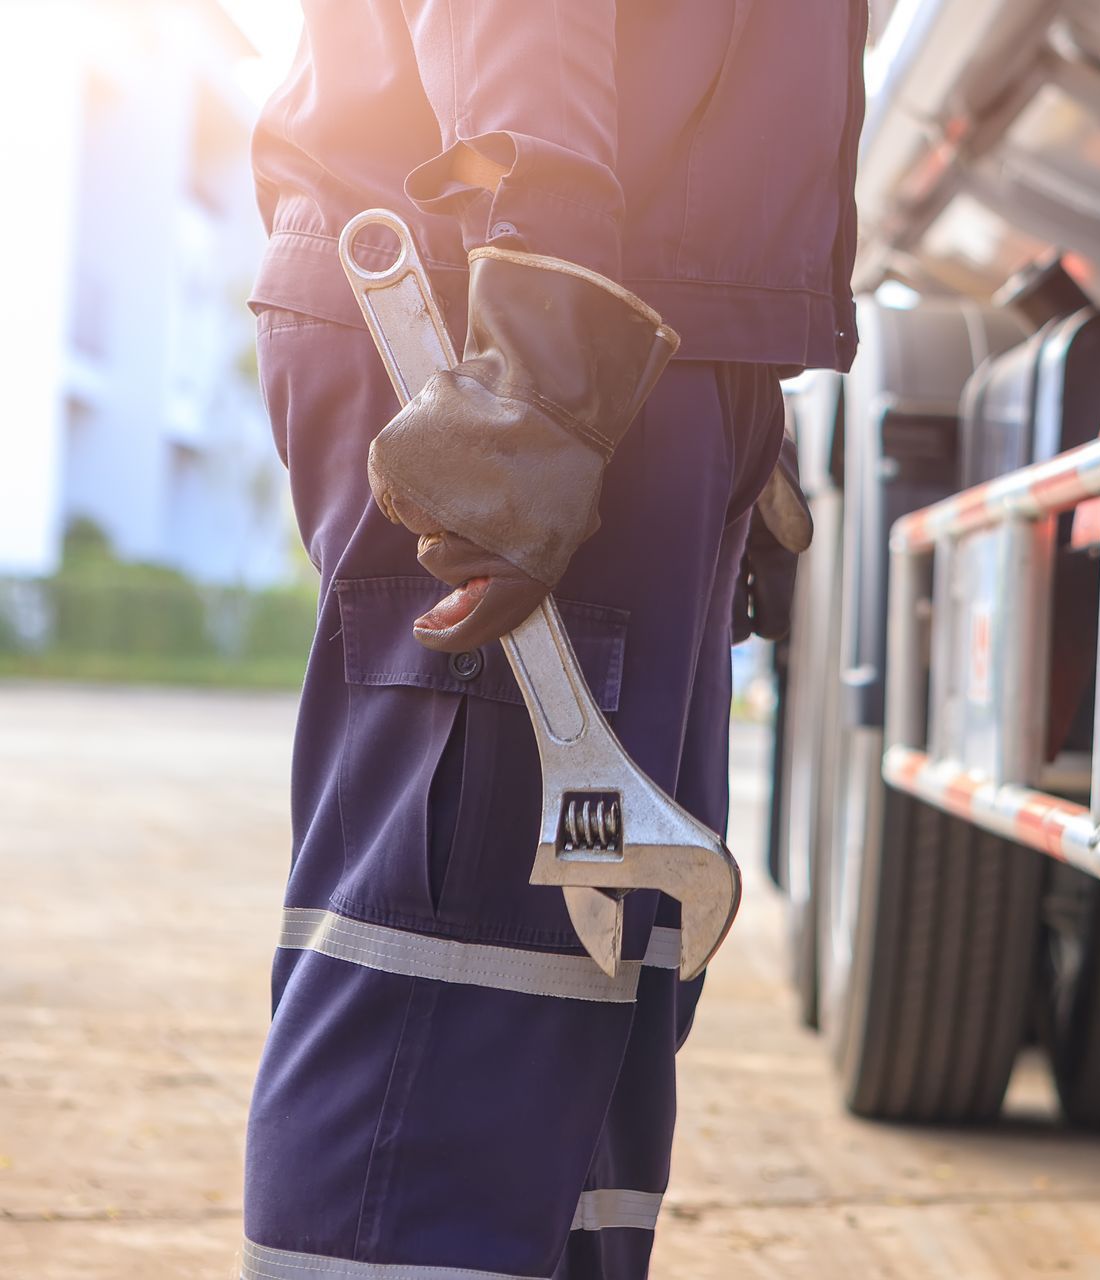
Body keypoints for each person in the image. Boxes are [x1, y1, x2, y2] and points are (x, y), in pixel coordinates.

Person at [239, 4, 862, 1277]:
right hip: (504, 304)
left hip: (620, 315)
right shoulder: (545, 307)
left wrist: (736, 391)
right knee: (458, 973)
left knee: (595, 974)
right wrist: (543, 348)